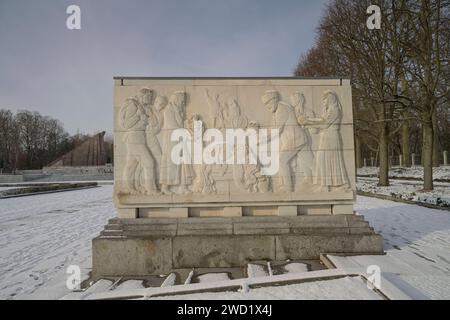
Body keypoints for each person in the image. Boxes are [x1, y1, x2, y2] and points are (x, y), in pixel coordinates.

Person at [261, 90, 307, 192]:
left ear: (274, 100)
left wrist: (261, 139)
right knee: (311, 163)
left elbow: (277, 129)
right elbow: (272, 127)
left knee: (281, 160)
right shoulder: (277, 110)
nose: (267, 107)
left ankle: (288, 188)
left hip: (295, 139)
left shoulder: (282, 109)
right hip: (296, 139)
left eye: (268, 103)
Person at [307, 91, 349, 191]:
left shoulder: (335, 110)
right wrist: (310, 120)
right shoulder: (329, 110)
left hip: (331, 137)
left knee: (331, 160)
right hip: (325, 137)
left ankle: (342, 184)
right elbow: (322, 119)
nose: (323, 102)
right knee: (323, 160)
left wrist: (308, 122)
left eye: (325, 100)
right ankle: (324, 185)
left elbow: (324, 124)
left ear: (330, 99)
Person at [120, 97, 158, 195]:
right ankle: (150, 189)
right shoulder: (133, 106)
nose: (150, 101)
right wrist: (139, 116)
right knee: (149, 162)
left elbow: (153, 123)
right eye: (149, 97)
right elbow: (126, 125)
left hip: (139, 139)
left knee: (131, 165)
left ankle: (128, 187)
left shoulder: (144, 107)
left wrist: (149, 115)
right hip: (134, 139)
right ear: (144, 96)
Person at [159, 91, 192, 195]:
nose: (183, 103)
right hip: (172, 140)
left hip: (179, 139)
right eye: (182, 101)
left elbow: (180, 124)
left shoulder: (178, 110)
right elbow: (173, 125)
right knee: (170, 164)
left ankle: (183, 186)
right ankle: (165, 187)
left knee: (182, 163)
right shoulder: (168, 110)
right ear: (176, 99)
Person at [290, 92, 316, 184]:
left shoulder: (308, 111)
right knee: (301, 160)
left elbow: (314, 130)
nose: (291, 101)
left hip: (304, 139)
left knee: (308, 159)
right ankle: (308, 177)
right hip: (294, 139)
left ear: (298, 100)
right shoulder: (291, 112)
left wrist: (306, 122)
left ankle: (319, 178)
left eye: (292, 99)